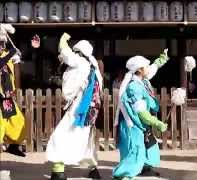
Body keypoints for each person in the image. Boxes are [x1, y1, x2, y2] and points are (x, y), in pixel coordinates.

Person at [46, 33, 103, 180]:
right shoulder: (93, 65)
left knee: (61, 134)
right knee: (85, 137)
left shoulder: (80, 62)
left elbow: (65, 53)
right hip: (92, 107)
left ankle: (58, 170)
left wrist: (63, 40)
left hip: (80, 106)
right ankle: (93, 169)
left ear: (79, 52)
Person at [112, 50, 169, 180]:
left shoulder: (142, 81)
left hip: (140, 123)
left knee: (147, 146)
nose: (148, 68)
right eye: (146, 67)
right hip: (132, 124)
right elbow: (141, 112)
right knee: (134, 152)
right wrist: (157, 122)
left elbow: (153, 68)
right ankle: (123, 176)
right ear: (140, 70)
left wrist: (162, 59)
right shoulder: (134, 87)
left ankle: (144, 168)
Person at [0, 24, 26, 157]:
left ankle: (14, 145)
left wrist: (16, 57)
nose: (1, 46)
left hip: (5, 96)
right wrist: (11, 53)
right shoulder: (5, 56)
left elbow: (9, 63)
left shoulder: (5, 54)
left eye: (2, 43)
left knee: (17, 120)